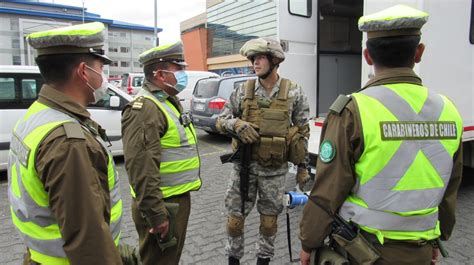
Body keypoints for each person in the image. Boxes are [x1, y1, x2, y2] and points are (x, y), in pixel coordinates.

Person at [299, 5, 463, 265]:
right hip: (420, 250)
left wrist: (309, 242)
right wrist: (437, 238)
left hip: (365, 252)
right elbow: (449, 191)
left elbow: (327, 192)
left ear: (367, 56)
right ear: (419, 53)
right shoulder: (448, 110)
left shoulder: (353, 111)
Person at [7, 22, 123, 264]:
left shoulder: (36, 114)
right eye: (101, 68)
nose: (105, 77)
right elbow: (88, 242)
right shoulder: (68, 142)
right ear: (83, 72)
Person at [217, 37, 310, 265]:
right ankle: (233, 260)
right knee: (234, 222)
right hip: (244, 169)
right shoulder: (243, 91)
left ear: (274, 60)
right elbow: (221, 120)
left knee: (269, 223)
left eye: (259, 58)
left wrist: (302, 168)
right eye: (252, 59)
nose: (254, 63)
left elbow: (302, 133)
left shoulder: (294, 92)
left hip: (275, 171)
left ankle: (263, 261)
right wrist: (237, 125)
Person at [122, 41, 202, 265]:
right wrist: (156, 215)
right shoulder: (145, 109)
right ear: (160, 74)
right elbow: (141, 169)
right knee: (159, 261)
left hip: (173, 200)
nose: (183, 74)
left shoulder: (166, 101)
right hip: (162, 205)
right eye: (178, 69)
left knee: (168, 258)